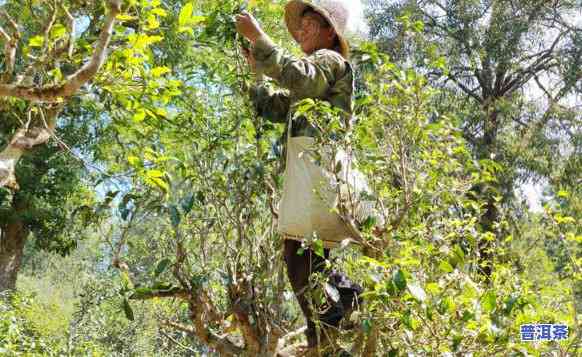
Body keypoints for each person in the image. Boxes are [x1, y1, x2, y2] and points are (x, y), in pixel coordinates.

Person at [235, 0, 368, 351]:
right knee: (302, 257)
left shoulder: (330, 61)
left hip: (319, 165)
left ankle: (335, 317)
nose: (302, 28)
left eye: (312, 22)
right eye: (302, 23)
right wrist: (258, 71)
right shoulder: (313, 70)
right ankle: (331, 320)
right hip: (305, 167)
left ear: (330, 33)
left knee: (298, 253)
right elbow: (271, 107)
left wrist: (260, 38)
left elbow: (300, 79)